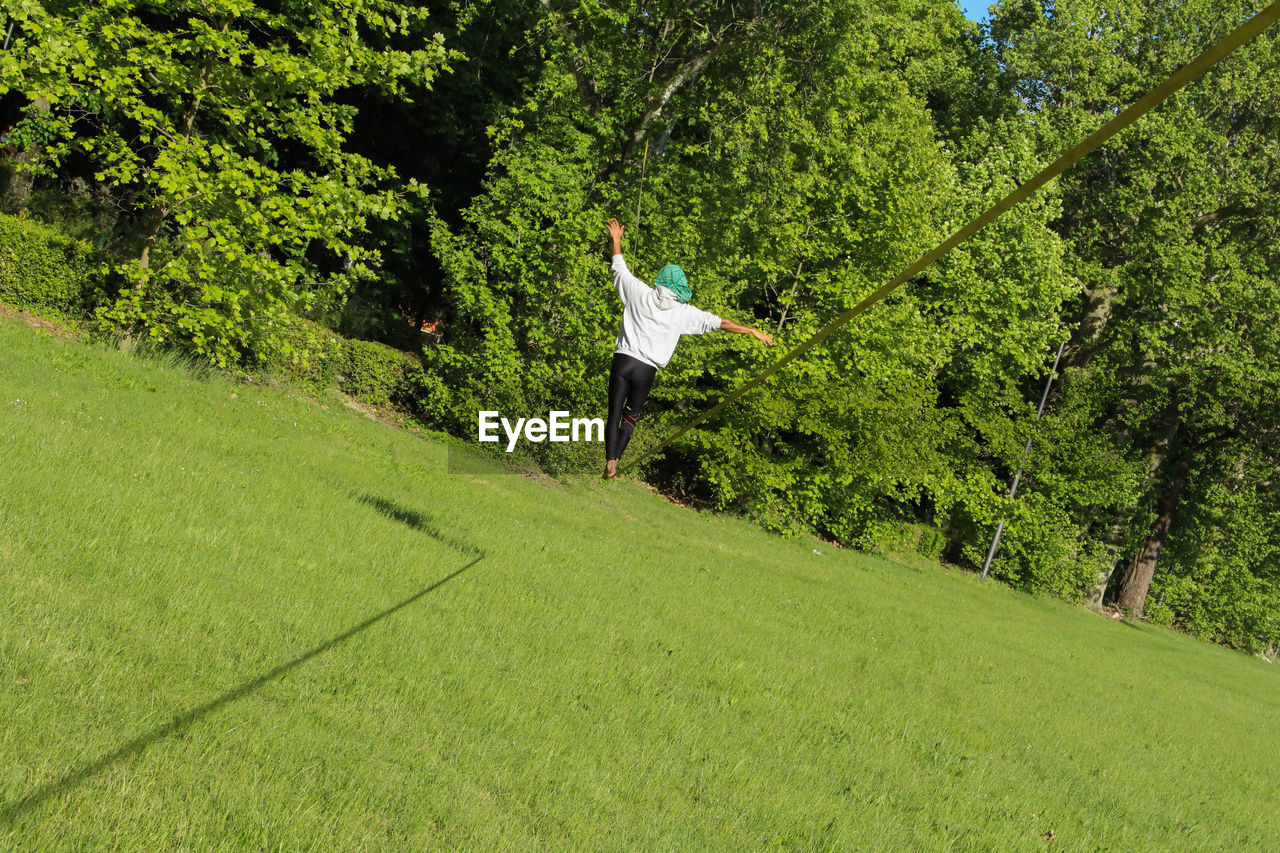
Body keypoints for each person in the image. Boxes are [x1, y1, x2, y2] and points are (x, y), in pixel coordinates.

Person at [603, 217, 773, 479]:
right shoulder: (684, 313)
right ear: (679, 288)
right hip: (646, 370)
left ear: (660, 280)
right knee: (630, 417)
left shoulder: (638, 291)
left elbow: (619, 266)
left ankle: (609, 457)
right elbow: (720, 322)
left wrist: (616, 240)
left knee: (613, 412)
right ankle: (615, 463)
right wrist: (751, 330)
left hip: (623, 361)